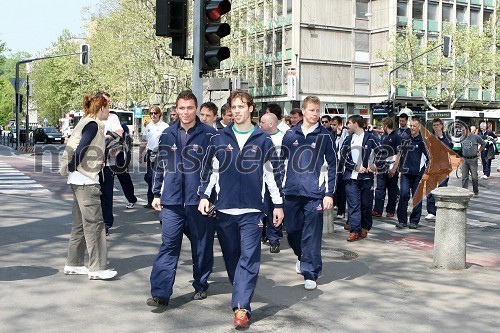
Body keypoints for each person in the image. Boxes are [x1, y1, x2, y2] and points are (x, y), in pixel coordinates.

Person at [198, 90, 284, 330]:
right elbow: (211, 172)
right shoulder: (219, 138)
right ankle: (241, 296)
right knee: (233, 261)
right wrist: (205, 196)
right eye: (233, 107)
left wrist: (277, 205)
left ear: (250, 109)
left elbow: (271, 177)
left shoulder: (263, 140)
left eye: (241, 106)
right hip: (224, 210)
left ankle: (241, 307)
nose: (236, 111)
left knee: (249, 258)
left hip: (252, 212)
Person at [147, 90, 218, 308]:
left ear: (196, 109)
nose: (185, 112)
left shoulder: (209, 134)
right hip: (172, 202)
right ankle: (161, 293)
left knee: (202, 245)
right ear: (176, 110)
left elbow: (216, 169)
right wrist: (157, 192)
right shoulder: (167, 134)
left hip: (200, 202)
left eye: (189, 108)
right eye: (181, 108)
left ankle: (201, 284)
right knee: (168, 246)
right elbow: (160, 165)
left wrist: (210, 197)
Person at [59, 93, 117, 280]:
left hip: (77, 179)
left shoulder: (86, 122)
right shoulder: (93, 125)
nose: (110, 111)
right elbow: (82, 147)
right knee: (95, 225)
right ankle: (97, 267)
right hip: (86, 180)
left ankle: (73, 263)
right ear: (101, 109)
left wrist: (72, 167)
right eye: (108, 107)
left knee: (79, 224)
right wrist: (73, 165)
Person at [282, 95, 336, 290]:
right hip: (291, 191)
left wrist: (329, 193)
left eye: (317, 110)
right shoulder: (290, 135)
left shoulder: (326, 136)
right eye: (312, 110)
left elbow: (332, 165)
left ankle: (310, 271)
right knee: (293, 230)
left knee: (312, 234)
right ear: (303, 111)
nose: (315, 114)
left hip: (315, 194)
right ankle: (302, 257)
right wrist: (280, 189)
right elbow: (282, 163)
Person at [339, 115, 383, 241]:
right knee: (353, 205)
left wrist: (375, 165)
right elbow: (342, 157)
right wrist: (355, 167)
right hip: (351, 178)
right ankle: (354, 230)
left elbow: (383, 152)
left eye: (349, 123)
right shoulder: (348, 139)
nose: (347, 126)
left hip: (366, 179)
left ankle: (365, 227)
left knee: (366, 204)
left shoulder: (371, 138)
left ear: (356, 124)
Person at [396, 118, 429, 229]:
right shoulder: (405, 139)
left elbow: (430, 158)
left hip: (418, 174)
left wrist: (426, 173)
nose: (412, 128)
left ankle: (414, 221)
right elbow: (401, 155)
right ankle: (402, 220)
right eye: (411, 126)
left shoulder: (423, 141)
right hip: (405, 173)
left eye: (414, 126)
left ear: (419, 127)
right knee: (403, 195)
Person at [259, 113, 285, 253]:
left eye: (262, 122)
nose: (260, 125)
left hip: (276, 179)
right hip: (260, 179)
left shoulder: (284, 137)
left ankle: (274, 239)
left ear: (271, 124)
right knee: (262, 208)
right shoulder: (259, 137)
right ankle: (262, 233)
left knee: (274, 209)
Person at [99, 98, 124, 235]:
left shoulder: (112, 117)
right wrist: (109, 135)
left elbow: (119, 133)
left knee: (107, 194)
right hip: (92, 164)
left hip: (108, 162)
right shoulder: (89, 118)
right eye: (105, 103)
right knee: (94, 195)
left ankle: (106, 224)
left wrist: (106, 136)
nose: (108, 106)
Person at [423, 118, 453, 220]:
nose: (436, 127)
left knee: (442, 189)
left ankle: (441, 209)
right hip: (432, 167)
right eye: (434, 125)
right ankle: (431, 211)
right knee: (430, 190)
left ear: (441, 126)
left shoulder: (446, 137)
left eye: (437, 125)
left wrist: (441, 137)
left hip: (444, 168)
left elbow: (449, 147)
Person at [139, 106, 169, 208]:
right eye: (151, 113)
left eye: (155, 113)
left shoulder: (165, 126)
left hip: (161, 153)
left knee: (157, 176)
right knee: (150, 176)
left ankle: (160, 198)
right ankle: (150, 200)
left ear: (159, 114)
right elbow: (144, 141)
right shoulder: (148, 126)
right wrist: (140, 154)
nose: (153, 115)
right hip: (150, 152)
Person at [372, 117, 401, 219]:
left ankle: (390, 210)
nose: (381, 127)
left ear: (386, 125)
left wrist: (394, 168)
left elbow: (399, 153)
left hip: (391, 167)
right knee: (379, 189)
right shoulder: (383, 136)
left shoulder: (396, 137)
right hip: (381, 167)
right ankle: (378, 210)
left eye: (382, 125)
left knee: (392, 190)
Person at [115, 121, 137, 209]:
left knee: (125, 180)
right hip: (108, 160)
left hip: (120, 160)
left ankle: (131, 199)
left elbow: (127, 147)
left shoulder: (122, 128)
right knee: (107, 183)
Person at [460, 125, 486, 197]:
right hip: (464, 159)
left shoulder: (475, 137)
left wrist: (479, 150)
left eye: (463, 130)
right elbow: (461, 148)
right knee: (464, 177)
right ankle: (464, 192)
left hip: (473, 159)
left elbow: (483, 143)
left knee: (474, 177)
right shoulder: (462, 137)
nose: (461, 132)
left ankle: (475, 191)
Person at [331, 116, 348, 220]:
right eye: (332, 125)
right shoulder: (331, 134)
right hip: (334, 164)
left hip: (342, 165)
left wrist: (341, 132)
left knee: (341, 188)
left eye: (335, 124)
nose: (333, 127)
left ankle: (341, 210)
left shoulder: (344, 133)